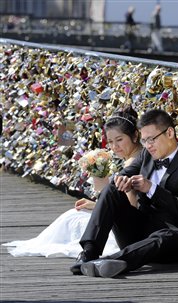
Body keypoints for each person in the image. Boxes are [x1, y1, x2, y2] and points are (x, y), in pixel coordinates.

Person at [70, 109, 178, 278]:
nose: (148, 145)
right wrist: (121, 179)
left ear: (170, 132)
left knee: (170, 235)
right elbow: (127, 171)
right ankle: (89, 254)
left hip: (169, 240)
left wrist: (151, 188)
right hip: (137, 230)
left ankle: (111, 262)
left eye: (151, 139)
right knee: (112, 188)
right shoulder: (146, 154)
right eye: (144, 141)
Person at [2, 107, 142, 258]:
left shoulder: (131, 164)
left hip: (128, 227)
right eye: (111, 142)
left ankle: (89, 249)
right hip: (127, 217)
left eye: (120, 140)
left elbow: (130, 206)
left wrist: (97, 206)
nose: (115, 147)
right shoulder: (136, 156)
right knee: (75, 215)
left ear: (134, 136)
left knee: (73, 218)